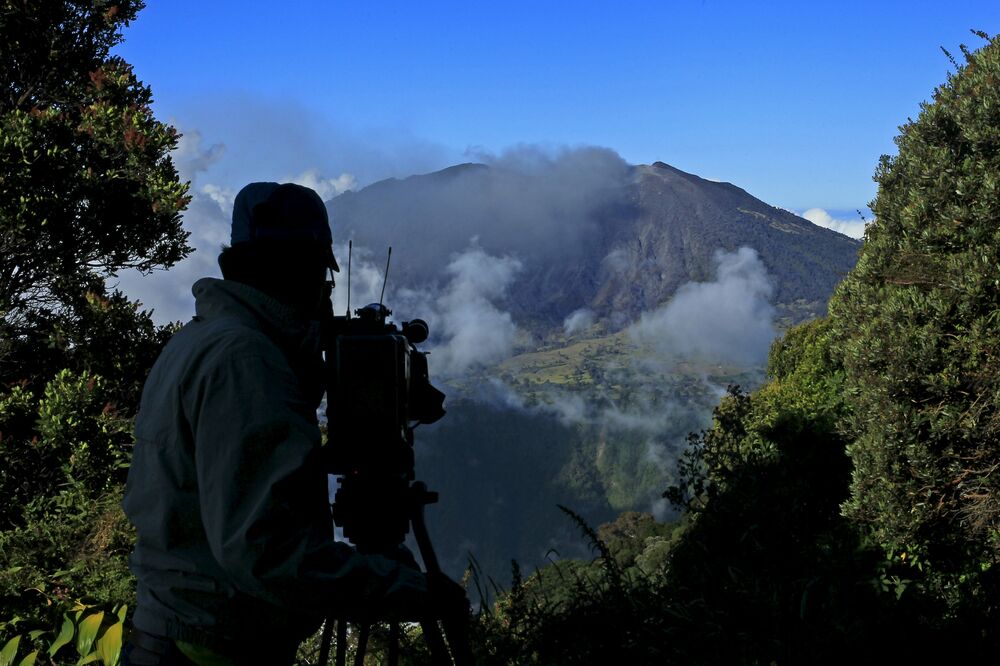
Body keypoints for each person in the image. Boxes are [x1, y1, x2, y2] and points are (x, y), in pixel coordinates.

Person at [122, 182, 459, 666]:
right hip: (212, 646)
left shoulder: (202, 341)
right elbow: (269, 552)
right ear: (302, 268)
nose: (325, 294)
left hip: (175, 634)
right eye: (323, 277)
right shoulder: (246, 363)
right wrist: (407, 590)